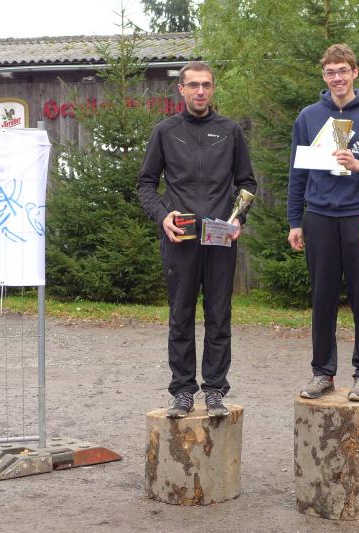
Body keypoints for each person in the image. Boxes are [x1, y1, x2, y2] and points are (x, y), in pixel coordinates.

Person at [287, 44, 359, 402]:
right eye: (330, 72)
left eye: (343, 70)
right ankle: (323, 373)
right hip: (319, 216)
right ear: (323, 76)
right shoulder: (309, 117)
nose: (337, 78)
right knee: (322, 297)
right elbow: (297, 174)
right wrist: (294, 221)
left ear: (355, 72)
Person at [137, 61, 257, 418]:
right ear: (182, 90)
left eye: (206, 85)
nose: (200, 91)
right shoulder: (166, 131)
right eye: (193, 85)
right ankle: (183, 391)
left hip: (220, 239)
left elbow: (247, 183)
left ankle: (215, 390)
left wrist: (238, 218)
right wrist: (163, 216)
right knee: (181, 316)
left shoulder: (229, 131)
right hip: (181, 240)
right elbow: (145, 184)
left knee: (219, 316)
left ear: (213, 88)